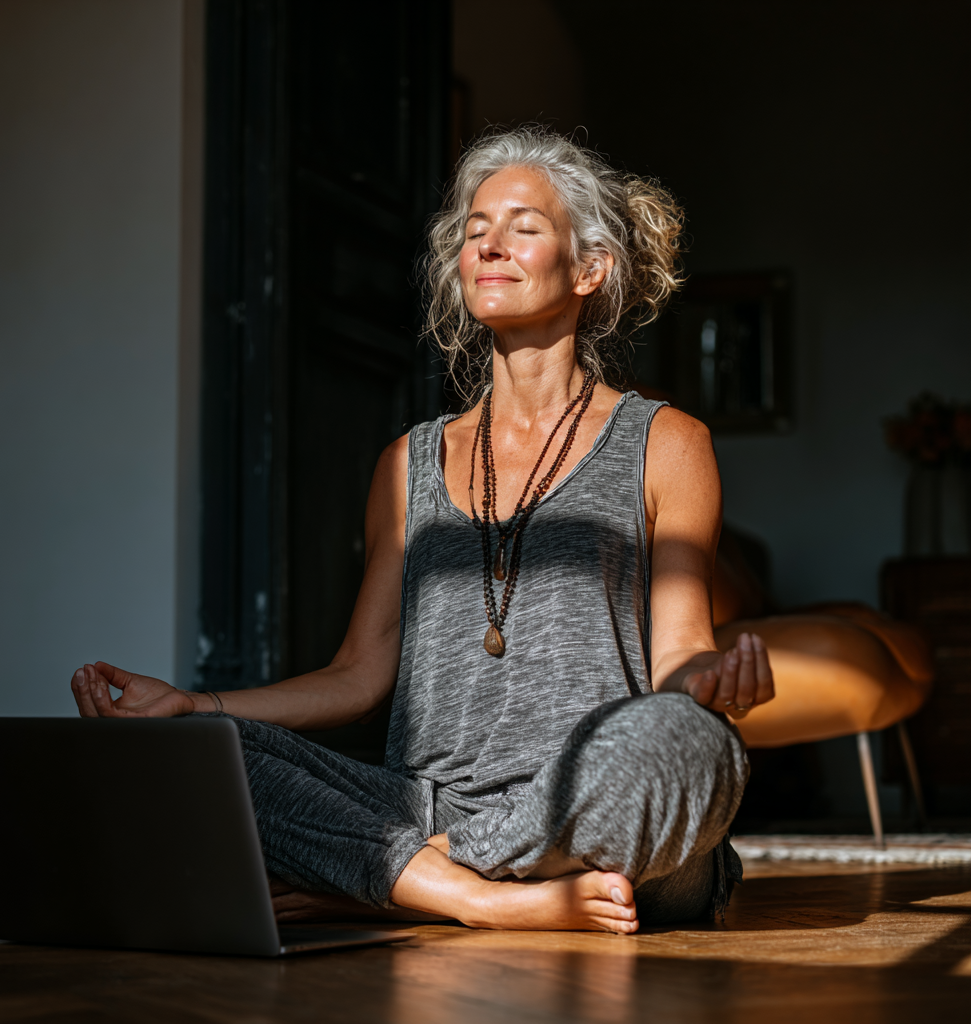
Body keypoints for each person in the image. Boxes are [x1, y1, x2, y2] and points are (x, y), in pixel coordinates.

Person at [71, 126, 773, 934]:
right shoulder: (407, 464)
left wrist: (710, 684)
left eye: (523, 227)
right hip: (416, 799)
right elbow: (359, 676)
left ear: (589, 268)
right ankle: (479, 898)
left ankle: (391, 880)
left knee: (690, 743)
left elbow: (679, 655)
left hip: (596, 811)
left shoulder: (668, 444)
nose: (491, 246)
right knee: (192, 756)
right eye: (475, 232)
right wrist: (196, 707)